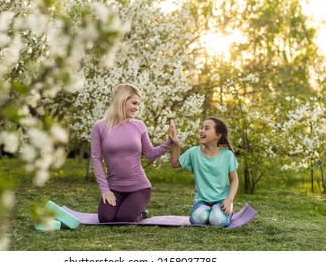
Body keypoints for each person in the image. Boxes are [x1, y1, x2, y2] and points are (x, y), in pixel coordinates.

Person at [91, 83, 175, 223]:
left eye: (138, 104)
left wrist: (169, 142)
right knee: (106, 218)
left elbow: (150, 153)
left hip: (139, 188)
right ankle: (123, 207)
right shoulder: (99, 127)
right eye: (134, 103)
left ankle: (142, 214)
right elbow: (96, 159)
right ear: (122, 100)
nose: (137, 108)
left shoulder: (139, 125)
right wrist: (105, 190)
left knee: (124, 218)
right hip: (114, 188)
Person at [169, 117, 239, 227]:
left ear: (218, 136)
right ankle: (207, 212)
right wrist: (176, 144)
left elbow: (234, 179)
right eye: (202, 128)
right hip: (201, 200)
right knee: (198, 219)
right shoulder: (194, 152)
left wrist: (229, 199)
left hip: (221, 200)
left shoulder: (227, 155)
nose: (202, 131)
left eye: (206, 128)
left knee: (217, 221)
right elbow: (174, 164)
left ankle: (224, 213)